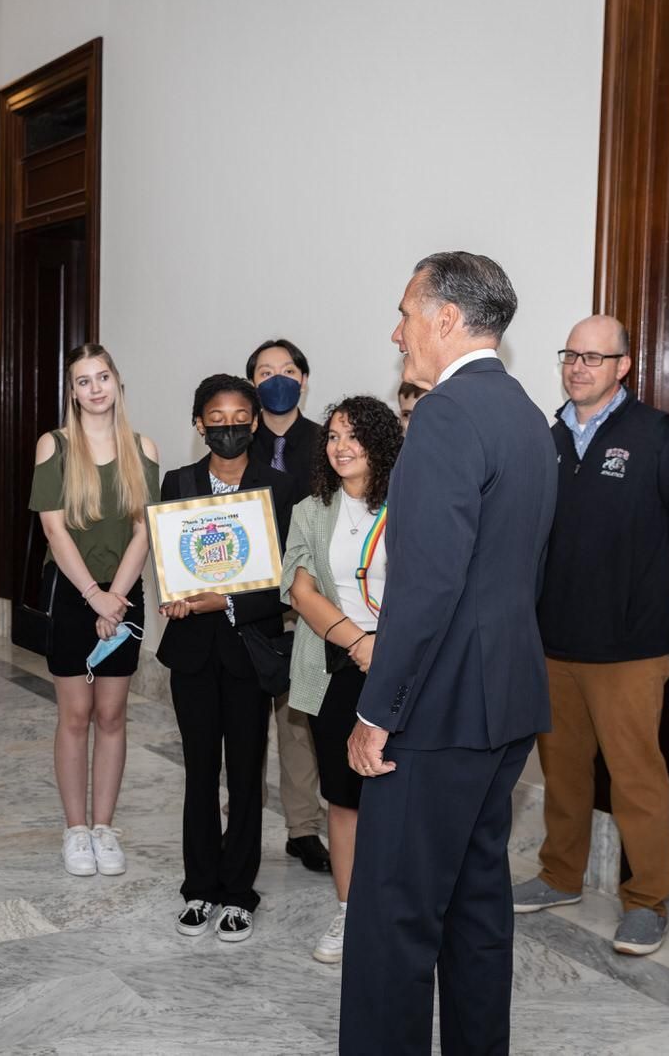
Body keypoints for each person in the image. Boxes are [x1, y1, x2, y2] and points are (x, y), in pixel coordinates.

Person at [341, 252, 557, 1055]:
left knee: (392, 918)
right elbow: (521, 571)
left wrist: (376, 713)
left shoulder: (443, 414)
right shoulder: (527, 415)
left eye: (405, 311)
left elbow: (426, 588)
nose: (396, 330)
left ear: (445, 319)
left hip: (434, 713)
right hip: (503, 703)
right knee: (475, 907)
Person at [512, 315, 669, 955]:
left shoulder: (658, 437)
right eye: (570, 354)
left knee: (636, 780)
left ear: (623, 366)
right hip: (553, 643)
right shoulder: (546, 439)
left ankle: (647, 899)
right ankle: (560, 874)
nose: (579, 367)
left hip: (629, 648)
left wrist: (635, 580)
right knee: (563, 774)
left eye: (595, 358)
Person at [157, 374, 300, 943]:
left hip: (249, 651)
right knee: (198, 774)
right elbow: (171, 561)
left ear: (256, 421)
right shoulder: (178, 483)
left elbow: (288, 578)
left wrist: (229, 600)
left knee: (245, 774)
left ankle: (239, 893)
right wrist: (175, 594)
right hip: (192, 652)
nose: (230, 427)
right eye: (217, 418)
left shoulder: (281, 488)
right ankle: (199, 888)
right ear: (199, 424)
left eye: (241, 416)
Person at [280, 395, 402, 963]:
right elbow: (301, 592)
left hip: (406, 666)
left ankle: (400, 910)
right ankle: (350, 913)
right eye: (332, 436)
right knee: (345, 797)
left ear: (380, 443)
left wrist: (386, 648)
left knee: (401, 795)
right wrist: (359, 643)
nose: (340, 447)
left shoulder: (409, 502)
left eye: (353, 435)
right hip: (340, 667)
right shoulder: (310, 510)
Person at [30, 345, 159, 877]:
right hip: (73, 592)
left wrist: (117, 598)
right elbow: (54, 529)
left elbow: (144, 529)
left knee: (111, 715)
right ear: (73, 393)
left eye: (103, 376)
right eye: (83, 381)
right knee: (76, 717)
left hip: (123, 594)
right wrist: (93, 596)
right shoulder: (54, 446)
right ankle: (76, 830)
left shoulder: (142, 447)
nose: (95, 388)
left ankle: (104, 828)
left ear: (117, 382)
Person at [245, 338, 331, 873]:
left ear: (303, 378)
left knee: (299, 718)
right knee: (245, 717)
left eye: (287, 369)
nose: (277, 378)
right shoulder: (235, 440)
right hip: (248, 601)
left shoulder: (328, 443)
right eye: (264, 371)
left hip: (309, 600)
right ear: (251, 382)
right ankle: (243, 817)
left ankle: (303, 828)